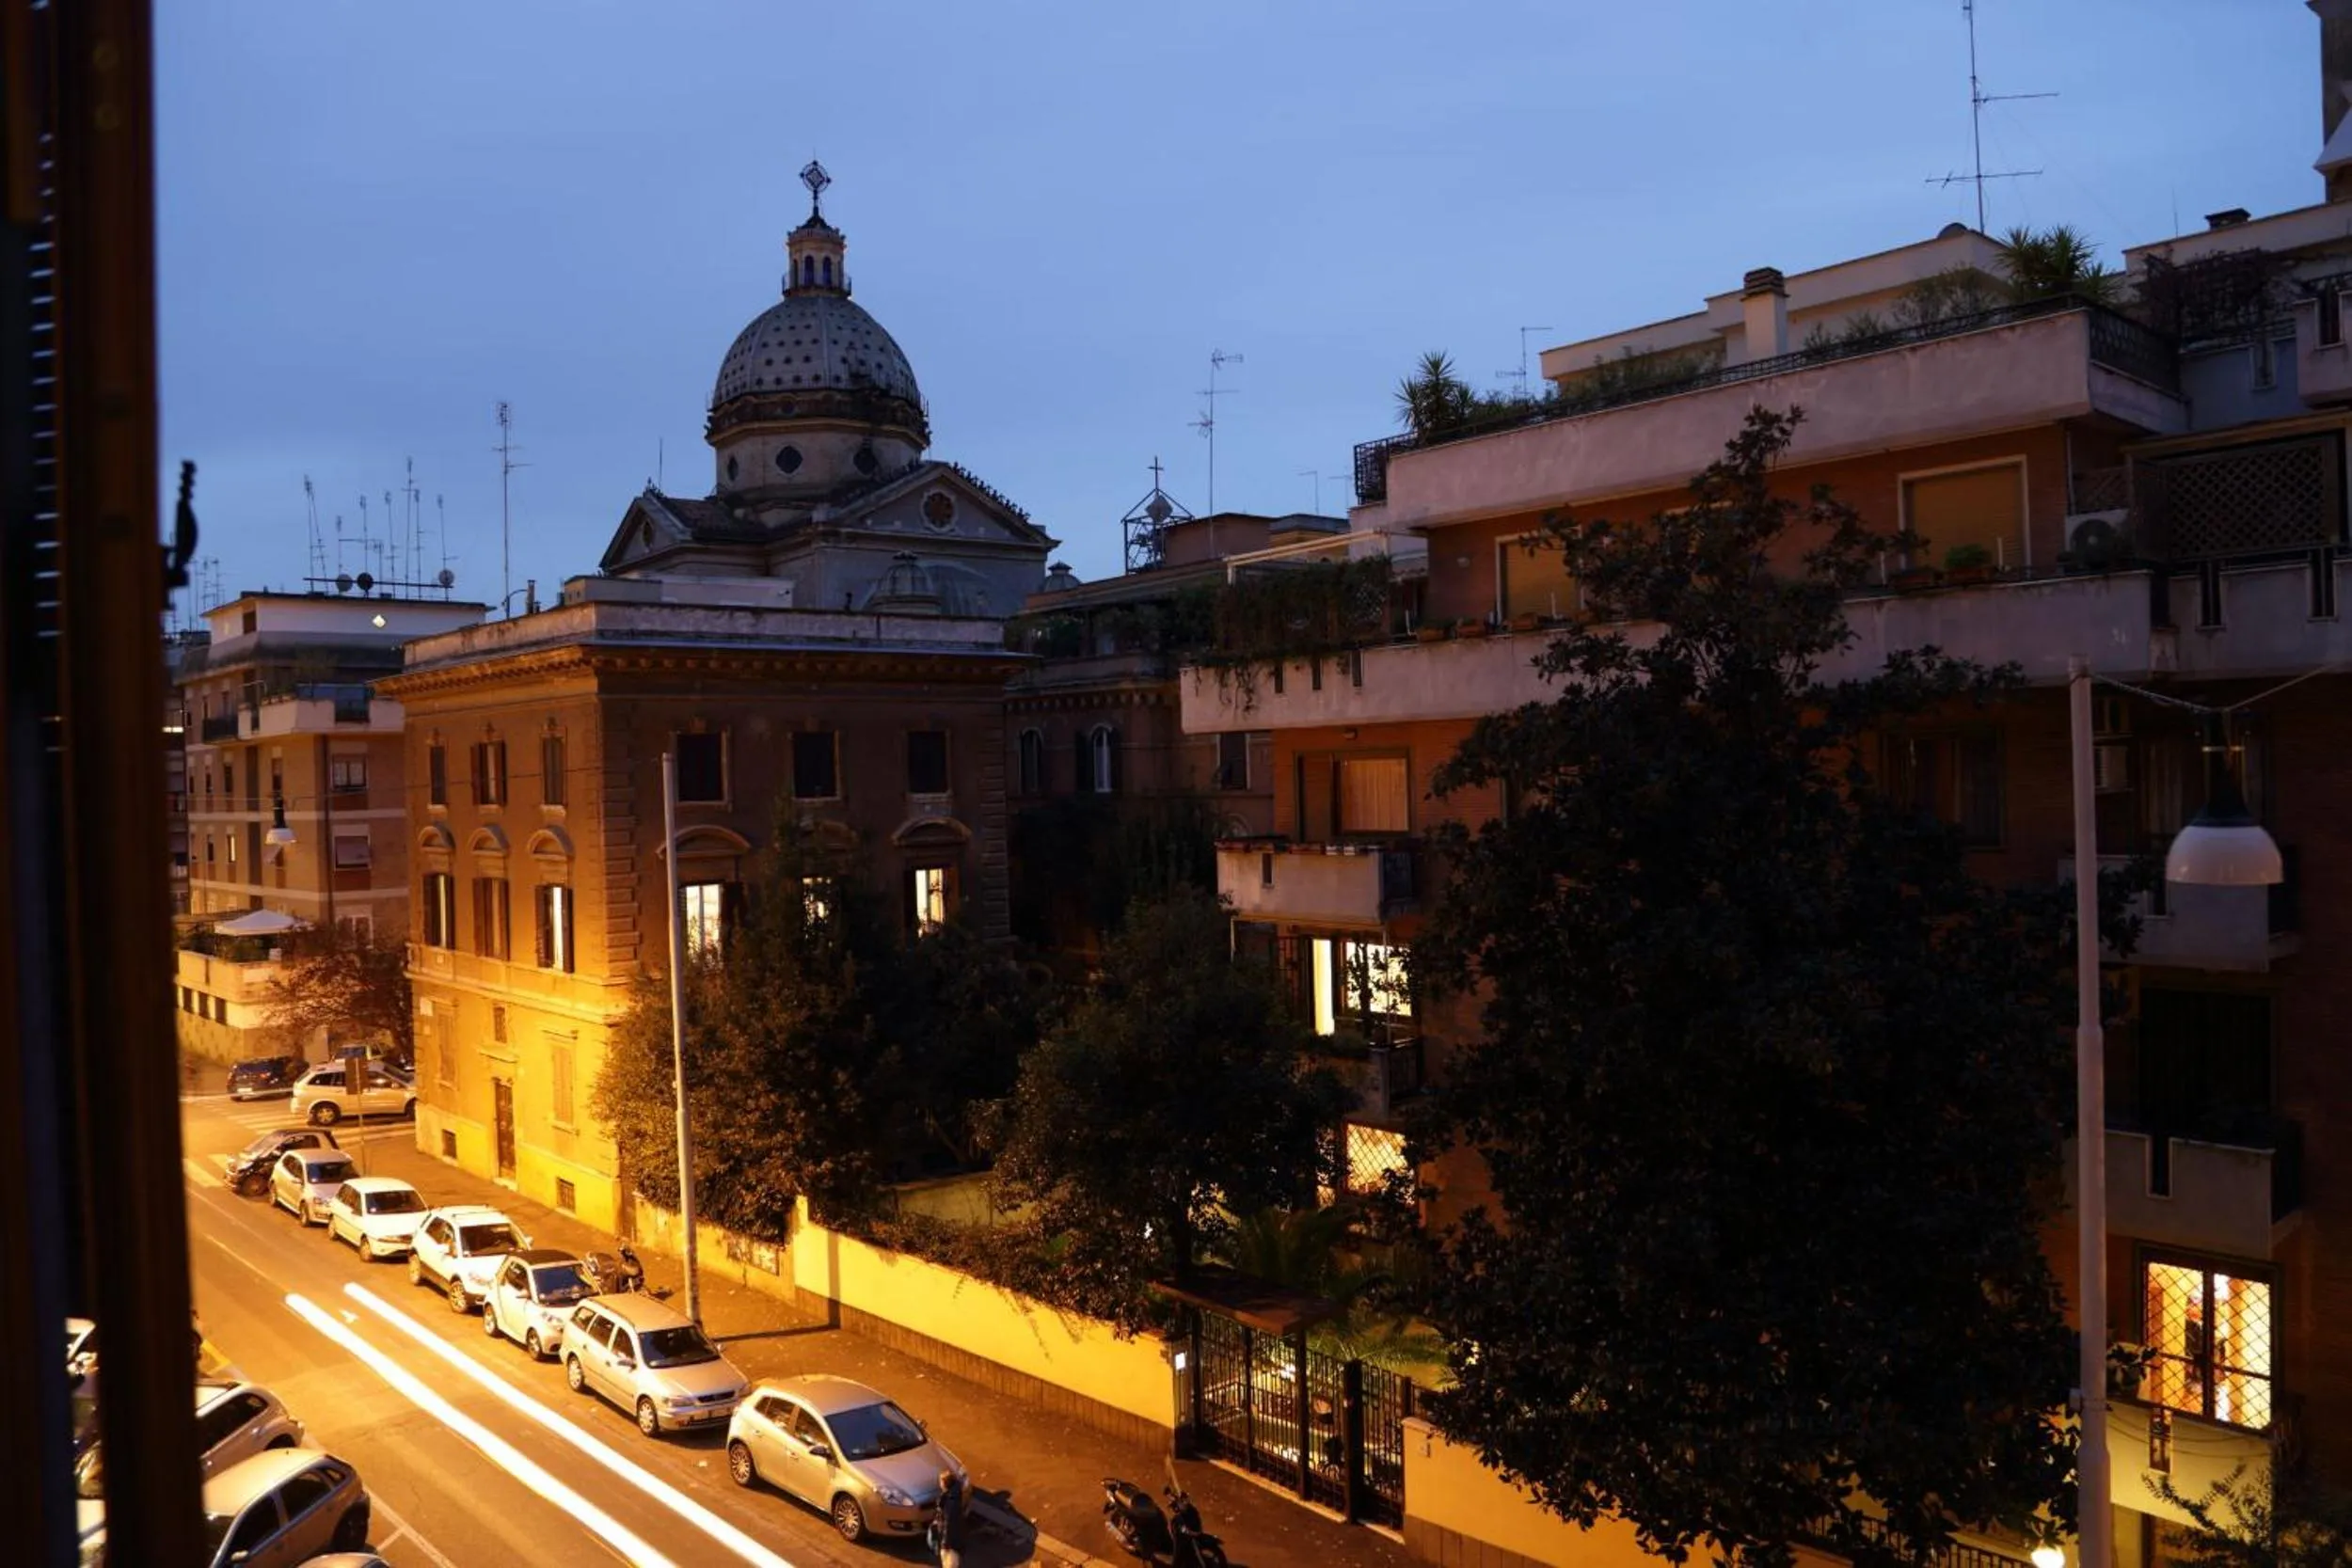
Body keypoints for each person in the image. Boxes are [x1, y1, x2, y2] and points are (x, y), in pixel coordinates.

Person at [932, 1468, 966, 1568]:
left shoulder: (950, 1502)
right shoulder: (953, 1496)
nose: (940, 1484)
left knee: (950, 1564)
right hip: (955, 1538)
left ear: (945, 1483)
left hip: (951, 1542)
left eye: (941, 1481)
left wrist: (945, 1543)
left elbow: (949, 1523)